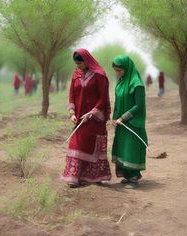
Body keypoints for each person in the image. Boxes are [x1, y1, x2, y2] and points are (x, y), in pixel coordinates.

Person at [61, 49, 111, 188]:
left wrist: (91, 113)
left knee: (92, 145)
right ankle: (74, 177)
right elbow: (71, 93)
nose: (78, 66)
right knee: (77, 144)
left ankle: (95, 176)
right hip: (79, 117)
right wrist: (72, 112)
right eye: (76, 64)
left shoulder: (99, 75)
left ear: (87, 61)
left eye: (80, 63)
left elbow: (102, 98)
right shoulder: (76, 74)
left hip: (95, 118)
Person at [112, 55, 147, 188]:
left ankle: (134, 178)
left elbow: (139, 106)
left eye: (120, 71)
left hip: (132, 123)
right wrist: (115, 118)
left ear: (127, 68)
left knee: (131, 149)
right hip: (121, 124)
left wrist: (123, 117)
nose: (118, 73)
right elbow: (117, 101)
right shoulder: (121, 82)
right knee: (122, 149)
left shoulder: (136, 83)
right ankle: (127, 176)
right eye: (116, 71)